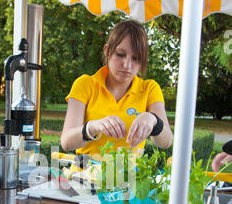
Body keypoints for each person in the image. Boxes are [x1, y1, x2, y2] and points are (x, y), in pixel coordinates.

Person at [60, 20, 173, 159]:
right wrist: (93, 127)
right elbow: (66, 142)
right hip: (87, 174)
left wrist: (153, 120)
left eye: (136, 58)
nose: (127, 65)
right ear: (107, 51)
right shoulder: (85, 84)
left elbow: (166, 142)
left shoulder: (149, 89)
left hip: (130, 176)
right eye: (120, 54)